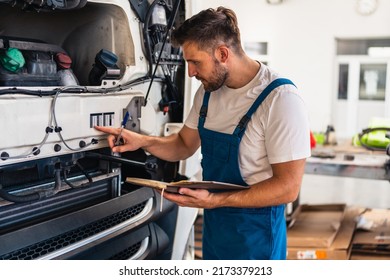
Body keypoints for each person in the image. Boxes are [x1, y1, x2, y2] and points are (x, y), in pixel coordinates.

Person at [95, 6, 311, 260]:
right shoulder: (208, 93)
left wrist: (215, 201)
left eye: (195, 62)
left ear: (222, 53)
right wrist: (142, 141)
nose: (190, 73)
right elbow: (184, 144)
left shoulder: (280, 99)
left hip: (257, 236)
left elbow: (287, 188)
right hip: (215, 228)